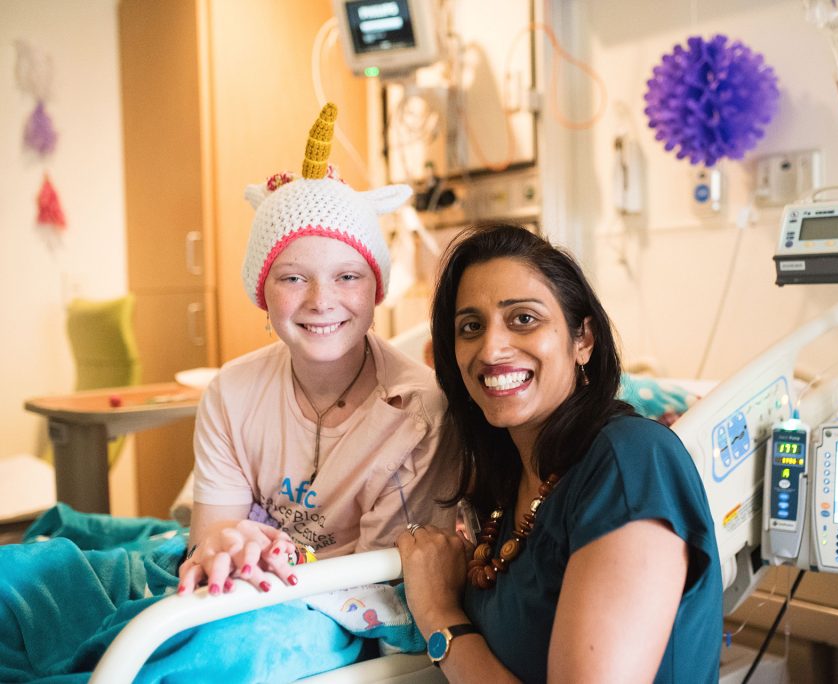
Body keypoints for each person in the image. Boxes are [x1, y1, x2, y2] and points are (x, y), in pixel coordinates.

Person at [396, 223, 723, 682]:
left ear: (583, 340)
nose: (491, 348)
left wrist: (438, 614)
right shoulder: (508, 481)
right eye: (471, 327)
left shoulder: (629, 463)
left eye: (523, 319)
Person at [178, 103, 453, 596]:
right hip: (242, 591)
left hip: (345, 606)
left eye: (347, 276)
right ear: (263, 292)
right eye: (293, 278)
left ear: (376, 290)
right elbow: (210, 541)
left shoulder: (418, 416)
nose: (321, 301)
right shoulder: (232, 395)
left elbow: (382, 582)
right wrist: (227, 547)